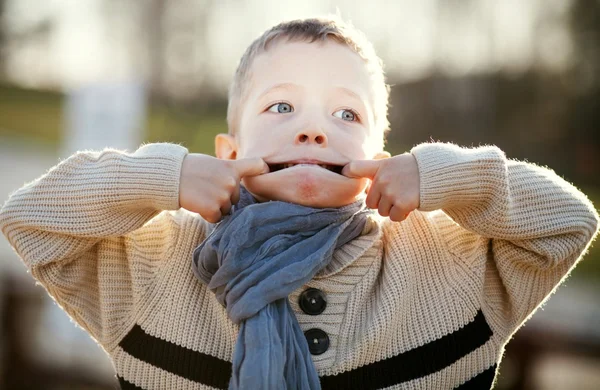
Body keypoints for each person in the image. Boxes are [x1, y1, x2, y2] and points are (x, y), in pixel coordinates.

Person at [0, 16, 598, 390]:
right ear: (228, 148)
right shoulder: (153, 264)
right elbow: (30, 218)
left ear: (378, 155)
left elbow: (569, 222)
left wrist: (444, 176)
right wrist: (165, 175)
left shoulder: (448, 262)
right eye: (282, 107)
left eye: (345, 114)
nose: (314, 131)